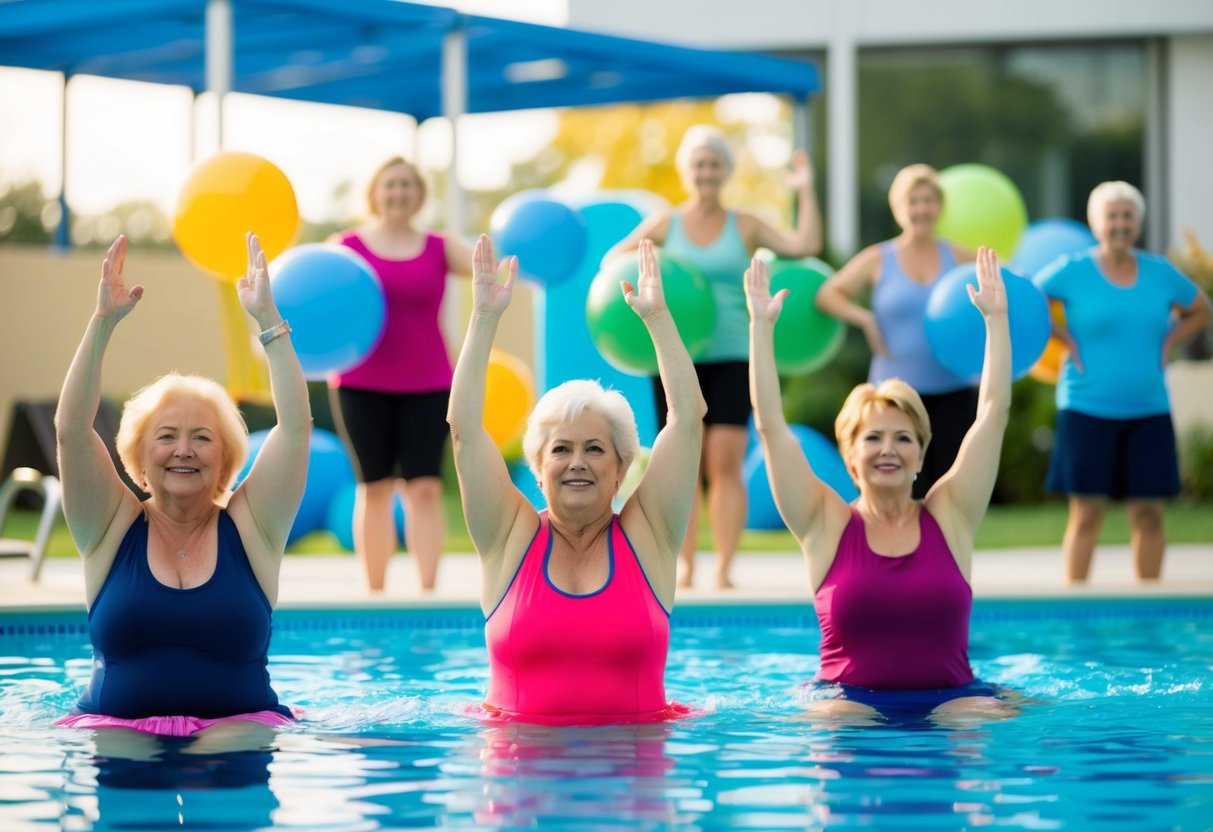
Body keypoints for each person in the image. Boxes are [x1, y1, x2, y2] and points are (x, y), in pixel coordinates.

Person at [53, 232, 311, 742]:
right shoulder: (110, 525)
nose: (184, 450)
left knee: (228, 748)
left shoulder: (253, 527)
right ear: (139, 456)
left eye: (202, 438)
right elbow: (71, 431)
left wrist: (268, 323)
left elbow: (296, 429)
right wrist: (101, 323)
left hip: (239, 728)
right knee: (120, 748)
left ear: (225, 461)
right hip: (115, 727)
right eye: (167, 436)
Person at [749, 245, 1014, 725]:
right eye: (873, 437)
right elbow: (770, 426)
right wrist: (761, 329)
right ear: (850, 456)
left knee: (973, 715)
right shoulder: (823, 521)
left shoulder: (949, 512)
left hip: (954, 699)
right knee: (835, 716)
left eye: (903, 438)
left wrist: (996, 322)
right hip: (848, 701)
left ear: (920, 453)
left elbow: (992, 416)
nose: (888, 449)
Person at [448, 236, 705, 725]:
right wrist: (484, 318)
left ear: (621, 468)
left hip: (630, 788)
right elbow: (463, 430)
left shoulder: (649, 535)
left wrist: (657, 319)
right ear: (539, 472)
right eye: (561, 450)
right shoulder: (509, 537)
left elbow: (687, 420)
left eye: (594, 449)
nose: (577, 463)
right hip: (522, 786)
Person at [610, 124, 823, 589]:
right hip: (675, 357)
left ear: (725, 170)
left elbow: (804, 245)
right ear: (688, 172)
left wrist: (805, 192)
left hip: (731, 353)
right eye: (698, 164)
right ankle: (683, 567)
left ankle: (724, 568)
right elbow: (614, 262)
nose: (706, 172)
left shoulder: (744, 224)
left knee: (723, 463)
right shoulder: (666, 225)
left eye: (714, 164)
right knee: (681, 462)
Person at [1033, 181, 1211, 583]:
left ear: (1138, 223)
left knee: (1149, 513)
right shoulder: (1073, 269)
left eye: (1127, 215)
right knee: (1087, 513)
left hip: (1149, 409)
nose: (1120, 223)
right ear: (1096, 223)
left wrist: (1168, 342)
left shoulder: (1159, 273)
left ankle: (1148, 616)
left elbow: (1201, 309)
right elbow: (1026, 298)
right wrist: (1063, 339)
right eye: (1111, 215)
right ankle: (1077, 614)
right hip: (1085, 407)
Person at [327, 156, 474, 592]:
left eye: (407, 185)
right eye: (390, 184)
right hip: (360, 383)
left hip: (429, 384)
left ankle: (427, 593)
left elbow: (495, 268)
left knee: (424, 488)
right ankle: (376, 594)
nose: (398, 192)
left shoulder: (439, 246)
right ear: (374, 193)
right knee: (374, 487)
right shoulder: (347, 245)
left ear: (419, 194)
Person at [815, 163, 977, 500]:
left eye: (928, 200)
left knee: (950, 494)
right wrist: (865, 319)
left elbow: (1001, 287)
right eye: (912, 201)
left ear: (939, 207)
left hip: (953, 391)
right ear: (899, 209)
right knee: (898, 493)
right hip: (895, 397)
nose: (921, 209)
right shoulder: (878, 258)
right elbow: (827, 294)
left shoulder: (960, 255)